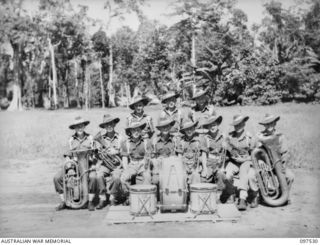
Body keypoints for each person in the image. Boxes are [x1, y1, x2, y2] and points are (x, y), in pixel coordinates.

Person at [53, 116, 98, 211]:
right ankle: (64, 201)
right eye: (77, 126)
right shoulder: (71, 139)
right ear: (74, 128)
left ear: (84, 126)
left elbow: (95, 154)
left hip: (88, 165)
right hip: (74, 165)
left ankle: (89, 201)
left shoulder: (90, 138)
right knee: (57, 178)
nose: (79, 128)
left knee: (93, 177)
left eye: (81, 125)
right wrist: (69, 168)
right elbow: (67, 156)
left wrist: (93, 165)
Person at [219, 115, 259, 211]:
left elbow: (255, 154)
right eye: (236, 125)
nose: (238, 126)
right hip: (234, 162)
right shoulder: (230, 136)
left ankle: (242, 199)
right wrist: (225, 145)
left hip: (247, 161)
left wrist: (245, 159)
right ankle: (231, 193)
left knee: (244, 171)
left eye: (240, 124)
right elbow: (225, 146)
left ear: (244, 124)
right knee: (227, 174)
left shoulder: (250, 137)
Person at [256, 113, 294, 202]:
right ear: (264, 125)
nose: (269, 125)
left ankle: (284, 195)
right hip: (265, 165)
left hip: (278, 164)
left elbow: (285, 153)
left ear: (275, 123)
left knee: (290, 176)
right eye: (267, 123)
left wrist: (283, 166)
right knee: (260, 175)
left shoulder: (280, 136)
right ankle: (262, 196)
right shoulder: (260, 136)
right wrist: (261, 162)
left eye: (271, 123)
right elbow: (256, 152)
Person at [94, 114, 123, 208]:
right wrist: (100, 152)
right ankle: (102, 198)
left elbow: (125, 152)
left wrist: (117, 151)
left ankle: (112, 197)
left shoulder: (120, 138)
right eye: (107, 124)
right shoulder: (101, 139)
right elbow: (98, 155)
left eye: (111, 124)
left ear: (114, 124)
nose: (109, 126)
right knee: (99, 175)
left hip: (117, 165)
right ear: (104, 127)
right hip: (105, 165)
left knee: (116, 177)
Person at [119, 121, 153, 201]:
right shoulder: (126, 143)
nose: (136, 132)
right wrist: (126, 170)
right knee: (123, 178)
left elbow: (148, 157)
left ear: (141, 131)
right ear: (130, 131)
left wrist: (146, 167)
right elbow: (124, 159)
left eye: (138, 130)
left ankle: (145, 198)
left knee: (147, 176)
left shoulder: (146, 142)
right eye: (134, 130)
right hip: (132, 164)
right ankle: (128, 196)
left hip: (143, 163)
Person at [176, 119, 207, 185]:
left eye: (191, 128)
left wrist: (204, 169)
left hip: (196, 168)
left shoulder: (200, 140)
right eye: (187, 129)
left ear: (194, 128)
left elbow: (204, 155)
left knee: (195, 176)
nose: (189, 131)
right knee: (181, 178)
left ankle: (194, 194)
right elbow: (179, 157)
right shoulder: (181, 141)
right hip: (184, 167)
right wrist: (180, 170)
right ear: (184, 130)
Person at [151, 117, 177, 185]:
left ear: (170, 127)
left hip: (172, 166)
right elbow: (152, 157)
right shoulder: (155, 140)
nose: (165, 129)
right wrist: (157, 164)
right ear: (160, 129)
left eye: (167, 126)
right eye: (163, 127)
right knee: (155, 180)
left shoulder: (174, 140)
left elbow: (177, 155)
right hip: (158, 166)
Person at [200, 114, 225, 184]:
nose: (212, 127)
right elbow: (204, 155)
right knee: (203, 178)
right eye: (210, 125)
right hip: (209, 164)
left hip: (219, 164)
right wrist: (204, 169)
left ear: (217, 125)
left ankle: (220, 193)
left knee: (221, 175)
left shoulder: (223, 137)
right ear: (208, 126)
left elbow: (225, 154)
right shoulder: (205, 138)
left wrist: (222, 167)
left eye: (214, 125)